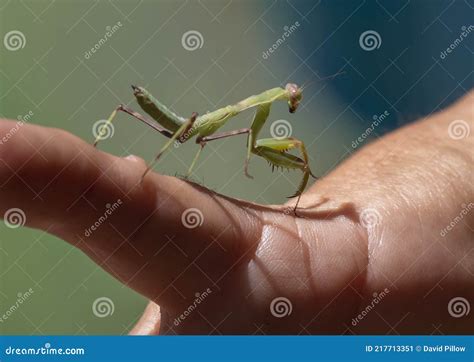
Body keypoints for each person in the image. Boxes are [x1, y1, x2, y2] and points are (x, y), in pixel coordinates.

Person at [0, 92, 472, 335]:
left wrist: (358, 258)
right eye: (289, 97)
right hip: (180, 127)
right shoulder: (252, 115)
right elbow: (233, 133)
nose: (292, 102)